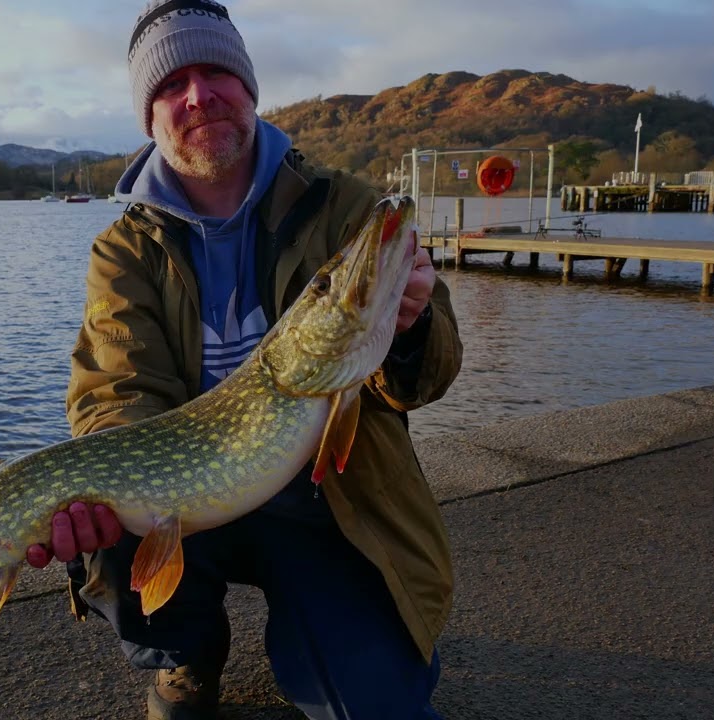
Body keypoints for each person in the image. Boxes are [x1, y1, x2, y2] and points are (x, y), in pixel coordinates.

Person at [25, 1, 463, 718]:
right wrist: (110, 481)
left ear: (249, 86)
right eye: (173, 84)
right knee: (106, 521)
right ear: (149, 117)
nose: (199, 95)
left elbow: (427, 379)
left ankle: (372, 639)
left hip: (332, 503)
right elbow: (117, 392)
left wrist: (410, 329)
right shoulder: (123, 251)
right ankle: (185, 654)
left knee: (377, 706)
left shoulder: (346, 206)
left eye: (216, 71)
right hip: (187, 507)